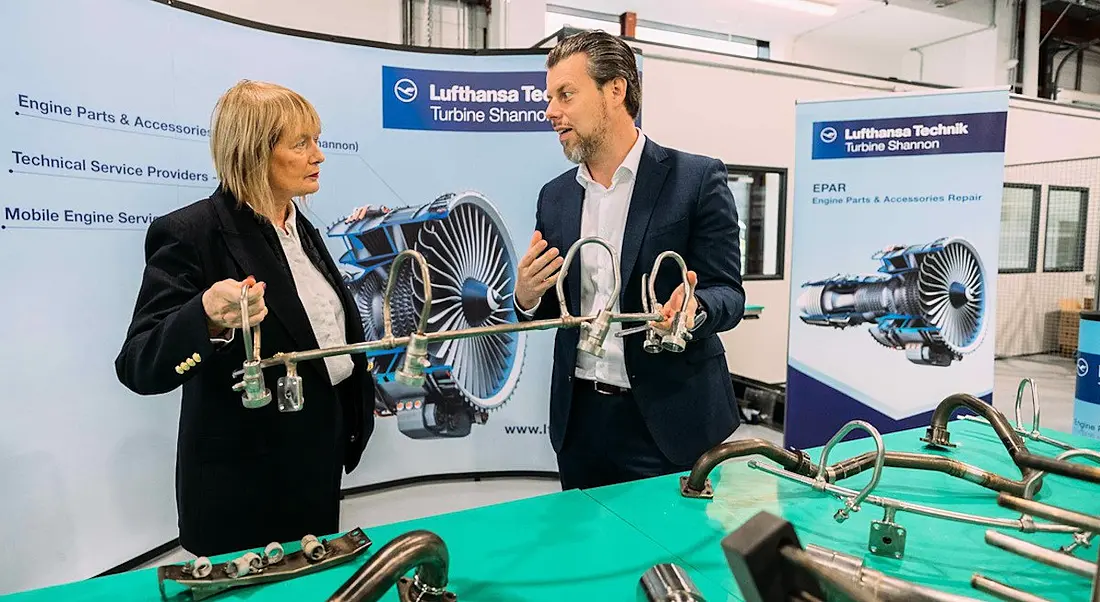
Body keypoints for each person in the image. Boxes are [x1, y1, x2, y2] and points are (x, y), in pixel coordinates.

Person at [114, 80, 375, 557]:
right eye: (302, 144)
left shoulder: (300, 227)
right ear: (255, 152)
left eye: (316, 140)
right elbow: (137, 364)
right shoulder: (191, 233)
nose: (319, 155)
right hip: (243, 488)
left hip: (313, 466)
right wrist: (206, 318)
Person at [516, 31, 746, 490]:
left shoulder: (695, 180)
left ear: (615, 90)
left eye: (566, 94)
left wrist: (693, 310)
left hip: (669, 422)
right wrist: (525, 295)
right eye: (549, 97)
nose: (550, 112)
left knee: (670, 559)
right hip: (580, 421)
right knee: (588, 555)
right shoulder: (556, 196)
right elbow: (551, 306)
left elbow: (729, 295)